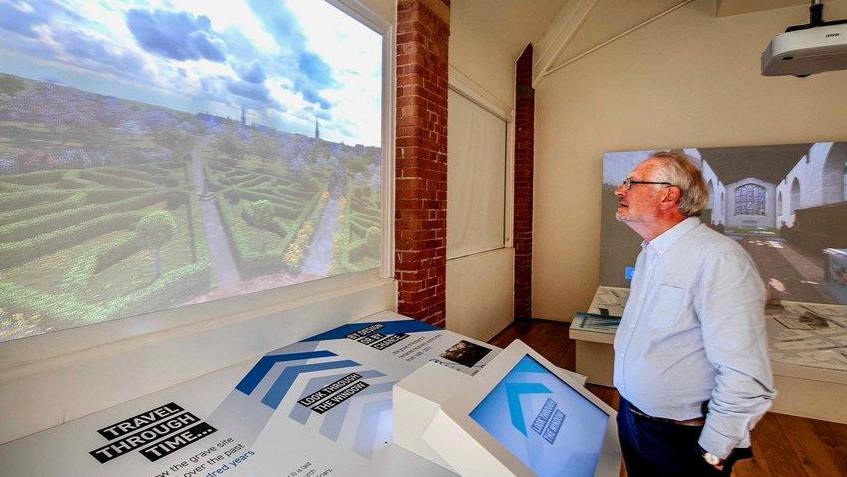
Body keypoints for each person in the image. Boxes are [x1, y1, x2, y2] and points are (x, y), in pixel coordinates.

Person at [612, 151, 775, 477]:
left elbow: (745, 375)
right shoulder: (650, 252)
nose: (620, 190)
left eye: (632, 182)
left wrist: (713, 453)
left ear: (668, 195)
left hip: (683, 438)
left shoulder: (719, 259)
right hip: (633, 418)